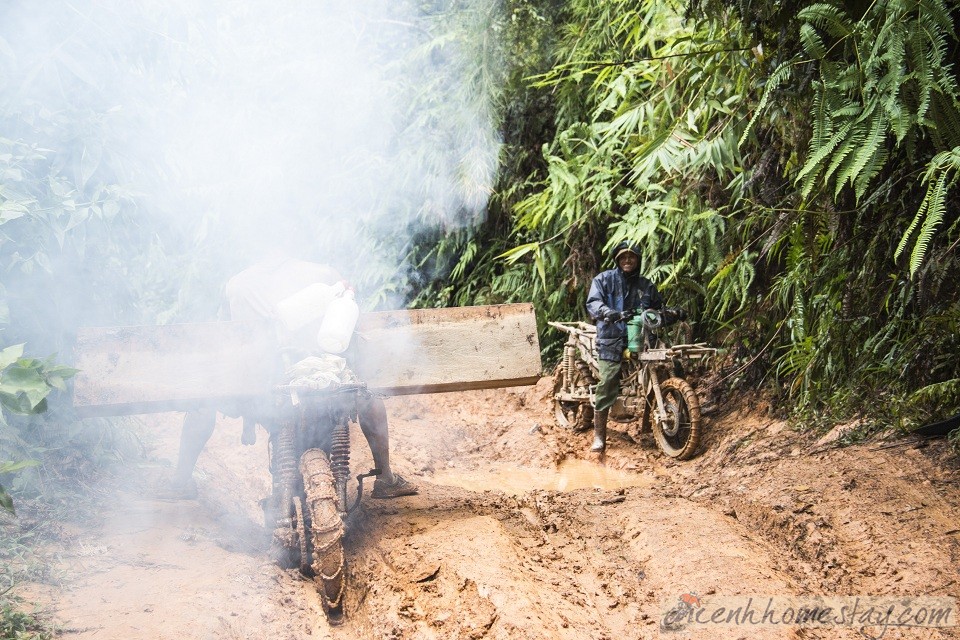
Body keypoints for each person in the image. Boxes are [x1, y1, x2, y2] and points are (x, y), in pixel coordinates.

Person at [165, 253, 417, 500]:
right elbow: (351, 329)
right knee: (369, 396)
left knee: (201, 402)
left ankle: (180, 481)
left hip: (265, 387)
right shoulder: (324, 273)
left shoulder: (237, 283)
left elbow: (231, 340)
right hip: (325, 380)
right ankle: (385, 478)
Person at [585, 241, 663, 453]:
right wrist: (608, 312)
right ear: (617, 260)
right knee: (609, 379)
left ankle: (660, 421)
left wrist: (670, 314)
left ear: (638, 260)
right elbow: (593, 303)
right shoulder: (603, 280)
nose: (628, 260)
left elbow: (657, 308)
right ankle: (599, 436)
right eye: (623, 256)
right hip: (611, 339)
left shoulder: (646, 285)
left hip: (640, 339)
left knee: (665, 367)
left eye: (632, 256)